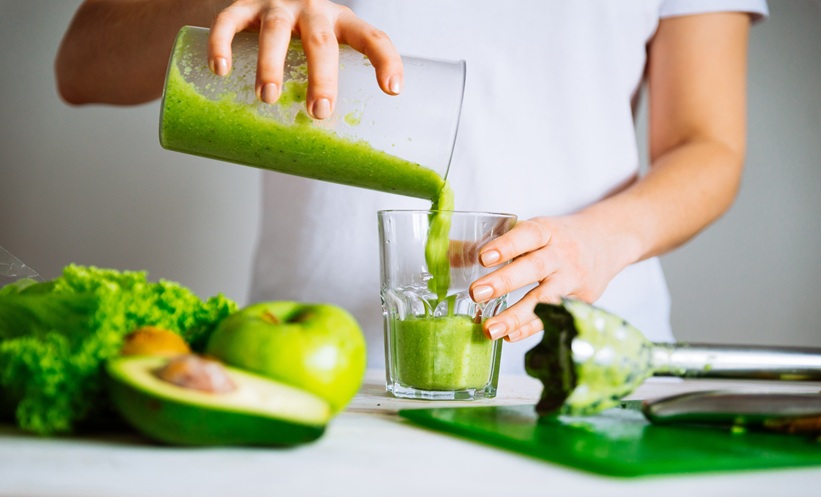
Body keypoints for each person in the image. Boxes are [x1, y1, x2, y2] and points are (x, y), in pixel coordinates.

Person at [55, 0, 768, 373]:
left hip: (583, 365)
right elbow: (82, 65)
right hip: (311, 370)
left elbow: (707, 145)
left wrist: (599, 241)